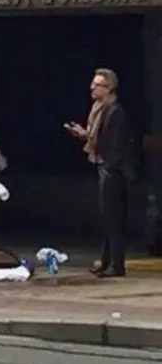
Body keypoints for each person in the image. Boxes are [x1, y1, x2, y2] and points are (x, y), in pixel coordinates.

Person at [64, 68, 131, 278]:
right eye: (93, 84)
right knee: (105, 218)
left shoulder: (114, 110)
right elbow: (98, 139)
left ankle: (117, 264)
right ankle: (105, 261)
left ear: (108, 87)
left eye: (98, 84)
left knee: (113, 218)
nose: (92, 88)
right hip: (103, 165)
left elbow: (116, 143)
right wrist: (85, 134)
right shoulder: (99, 109)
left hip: (112, 169)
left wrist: (110, 167)